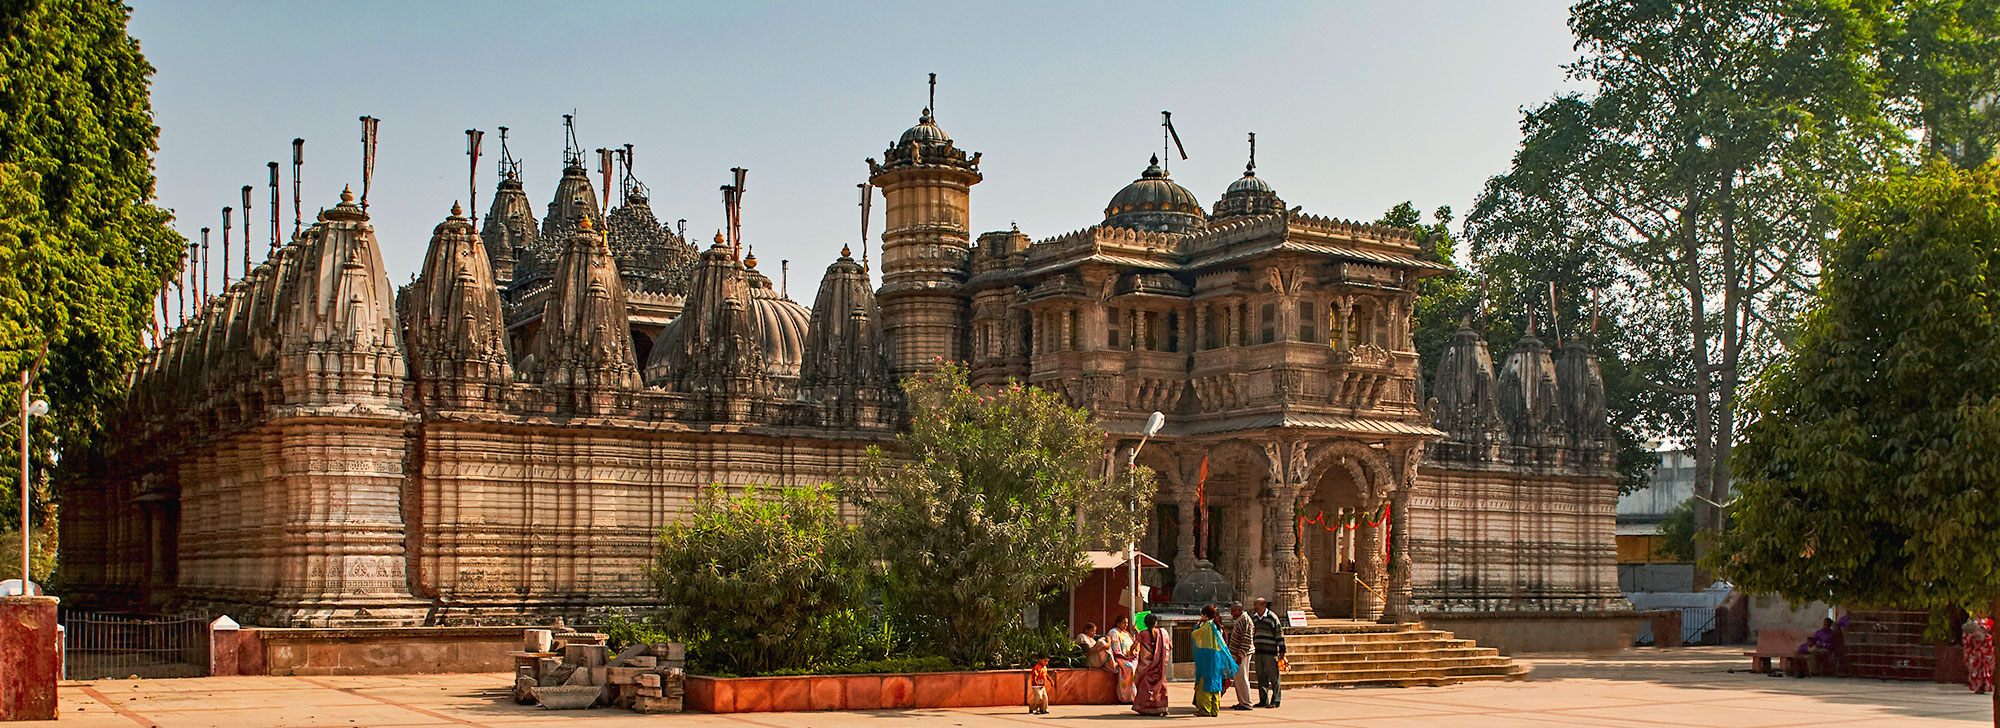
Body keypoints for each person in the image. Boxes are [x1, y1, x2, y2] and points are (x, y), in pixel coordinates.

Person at [1191, 604, 1240, 717]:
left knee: (1205, 685)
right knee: (1215, 684)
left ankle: (1205, 710)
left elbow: (1195, 634)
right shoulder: (1216, 625)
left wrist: (1198, 623)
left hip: (1208, 658)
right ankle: (1214, 709)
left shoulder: (1207, 625)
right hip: (1216, 658)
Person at [1130, 613, 1172, 716]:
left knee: (1143, 686)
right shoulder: (1162, 633)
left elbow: (1134, 646)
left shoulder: (1143, 634)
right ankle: (1161, 708)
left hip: (1145, 665)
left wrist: (1131, 653)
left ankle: (1144, 707)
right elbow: (1169, 646)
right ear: (1156, 622)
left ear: (1145, 623)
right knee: (1160, 686)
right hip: (1158, 666)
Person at [1251, 597, 1286, 708]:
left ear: (1263, 606)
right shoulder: (1255, 618)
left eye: (1257, 605)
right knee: (1261, 676)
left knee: (1273, 677)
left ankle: (1276, 700)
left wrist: (1282, 650)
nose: (1255, 607)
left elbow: (1279, 634)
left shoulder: (1272, 618)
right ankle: (1263, 700)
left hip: (1270, 652)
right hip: (1259, 651)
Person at [1225, 602, 1256, 710]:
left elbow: (1246, 640)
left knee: (1242, 678)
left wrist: (1240, 655)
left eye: (1234, 611)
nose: (1232, 613)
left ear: (1240, 610)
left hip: (1242, 654)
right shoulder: (1241, 619)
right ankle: (1242, 701)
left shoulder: (1245, 620)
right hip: (1237, 653)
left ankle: (1246, 703)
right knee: (1238, 679)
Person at [1105, 615, 1138, 704]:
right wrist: (1125, 657)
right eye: (1124, 623)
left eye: (1127, 623)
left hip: (1129, 657)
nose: (1126, 625)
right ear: (1118, 623)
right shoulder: (1114, 632)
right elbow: (1116, 650)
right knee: (1129, 668)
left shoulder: (1126, 633)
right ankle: (1126, 696)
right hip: (1119, 658)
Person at [1965, 615, 1994, 694]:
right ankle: (1978, 687)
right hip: (1976, 650)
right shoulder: (1971, 621)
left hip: (1986, 649)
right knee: (1977, 670)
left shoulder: (1990, 622)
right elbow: (1967, 636)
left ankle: (1986, 686)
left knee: (1987, 669)